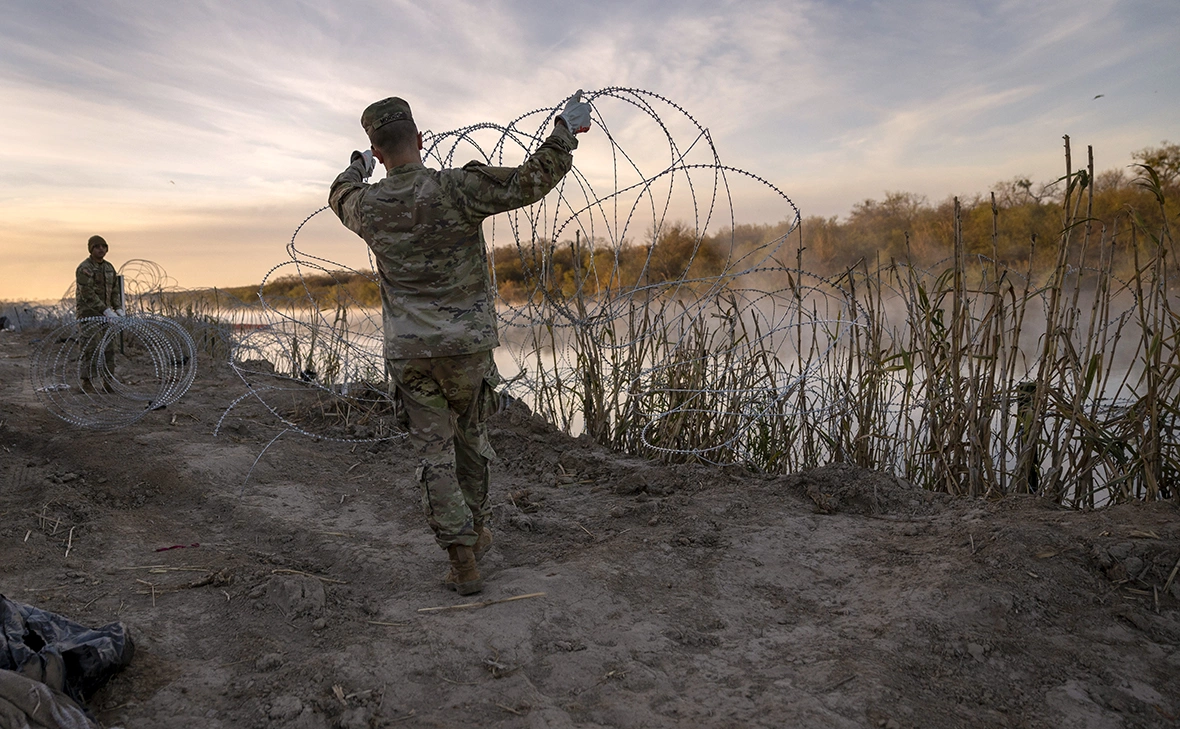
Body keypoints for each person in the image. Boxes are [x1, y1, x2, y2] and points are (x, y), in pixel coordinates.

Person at [329, 92, 592, 595]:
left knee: (433, 454)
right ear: (421, 139)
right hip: (466, 348)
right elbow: (530, 180)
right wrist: (564, 132)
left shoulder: (367, 205)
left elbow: (339, 193)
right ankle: (474, 530)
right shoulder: (457, 189)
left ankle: (462, 558)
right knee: (470, 441)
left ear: (378, 152)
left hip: (411, 355)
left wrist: (356, 167)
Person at [75, 235, 123, 393]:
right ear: (91, 249)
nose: (101, 249)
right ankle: (87, 382)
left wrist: (118, 308)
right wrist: (105, 309)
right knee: (91, 347)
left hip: (107, 316)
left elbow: (115, 290)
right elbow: (87, 293)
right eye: (97, 246)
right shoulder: (85, 268)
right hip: (89, 314)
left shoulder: (109, 267)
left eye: (103, 246)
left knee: (109, 348)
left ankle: (108, 381)